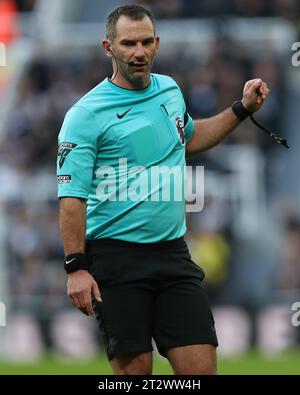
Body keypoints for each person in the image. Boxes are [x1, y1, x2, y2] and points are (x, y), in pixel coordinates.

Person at [57, 5, 270, 375]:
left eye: (144, 42)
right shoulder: (85, 115)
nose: (138, 52)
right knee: (135, 375)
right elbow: (71, 198)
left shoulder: (169, 90)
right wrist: (76, 267)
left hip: (172, 254)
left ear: (156, 44)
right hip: (116, 258)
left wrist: (241, 109)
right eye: (128, 43)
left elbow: (187, 138)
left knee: (202, 371)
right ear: (108, 47)